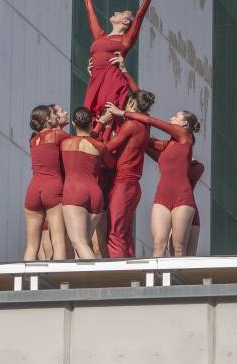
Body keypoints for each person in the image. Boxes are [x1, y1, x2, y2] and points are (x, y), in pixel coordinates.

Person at [106, 101, 200, 257]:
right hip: (162, 197)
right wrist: (122, 125)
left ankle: (177, 281)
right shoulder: (167, 145)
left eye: (175, 116)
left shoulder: (185, 137)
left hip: (182, 197)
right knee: (158, 244)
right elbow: (141, 139)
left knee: (178, 247)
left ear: (183, 122)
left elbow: (150, 121)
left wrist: (122, 112)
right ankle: (157, 281)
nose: (171, 117)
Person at [71, 0, 161, 119]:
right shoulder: (101, 36)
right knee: (90, 114)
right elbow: (90, 13)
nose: (115, 13)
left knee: (106, 113)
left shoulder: (125, 40)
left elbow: (139, 16)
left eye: (120, 13)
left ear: (125, 21)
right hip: (96, 78)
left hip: (111, 79)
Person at [98, 90, 155, 258]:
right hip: (133, 186)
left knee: (116, 233)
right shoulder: (145, 126)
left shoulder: (130, 126)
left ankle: (117, 276)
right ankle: (130, 271)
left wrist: (106, 126)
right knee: (125, 233)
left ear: (130, 103)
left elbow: (106, 148)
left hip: (123, 184)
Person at [23, 104, 68, 261]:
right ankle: (60, 284)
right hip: (52, 187)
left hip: (33, 190)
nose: (56, 116)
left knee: (31, 246)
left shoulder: (33, 140)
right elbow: (82, 141)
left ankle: (24, 283)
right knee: (59, 242)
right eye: (53, 115)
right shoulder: (56, 135)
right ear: (48, 119)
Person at [60, 107, 106, 259]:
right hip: (95, 193)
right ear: (91, 123)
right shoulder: (100, 146)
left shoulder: (65, 143)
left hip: (74, 191)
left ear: (73, 123)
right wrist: (102, 124)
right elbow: (110, 163)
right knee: (84, 243)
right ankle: (84, 282)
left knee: (79, 243)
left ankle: (96, 280)